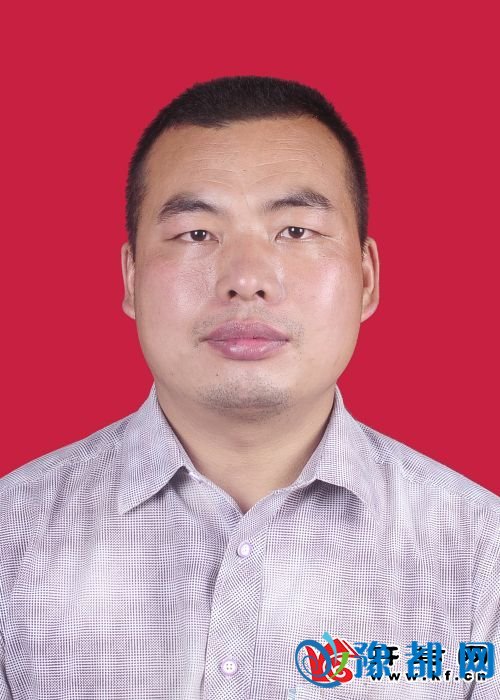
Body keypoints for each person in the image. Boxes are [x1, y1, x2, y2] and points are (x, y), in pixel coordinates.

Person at [0, 76, 498, 700]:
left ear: (366, 278)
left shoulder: (481, 556)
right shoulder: (11, 539)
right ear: (130, 278)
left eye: (296, 231)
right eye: (196, 234)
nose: (246, 278)